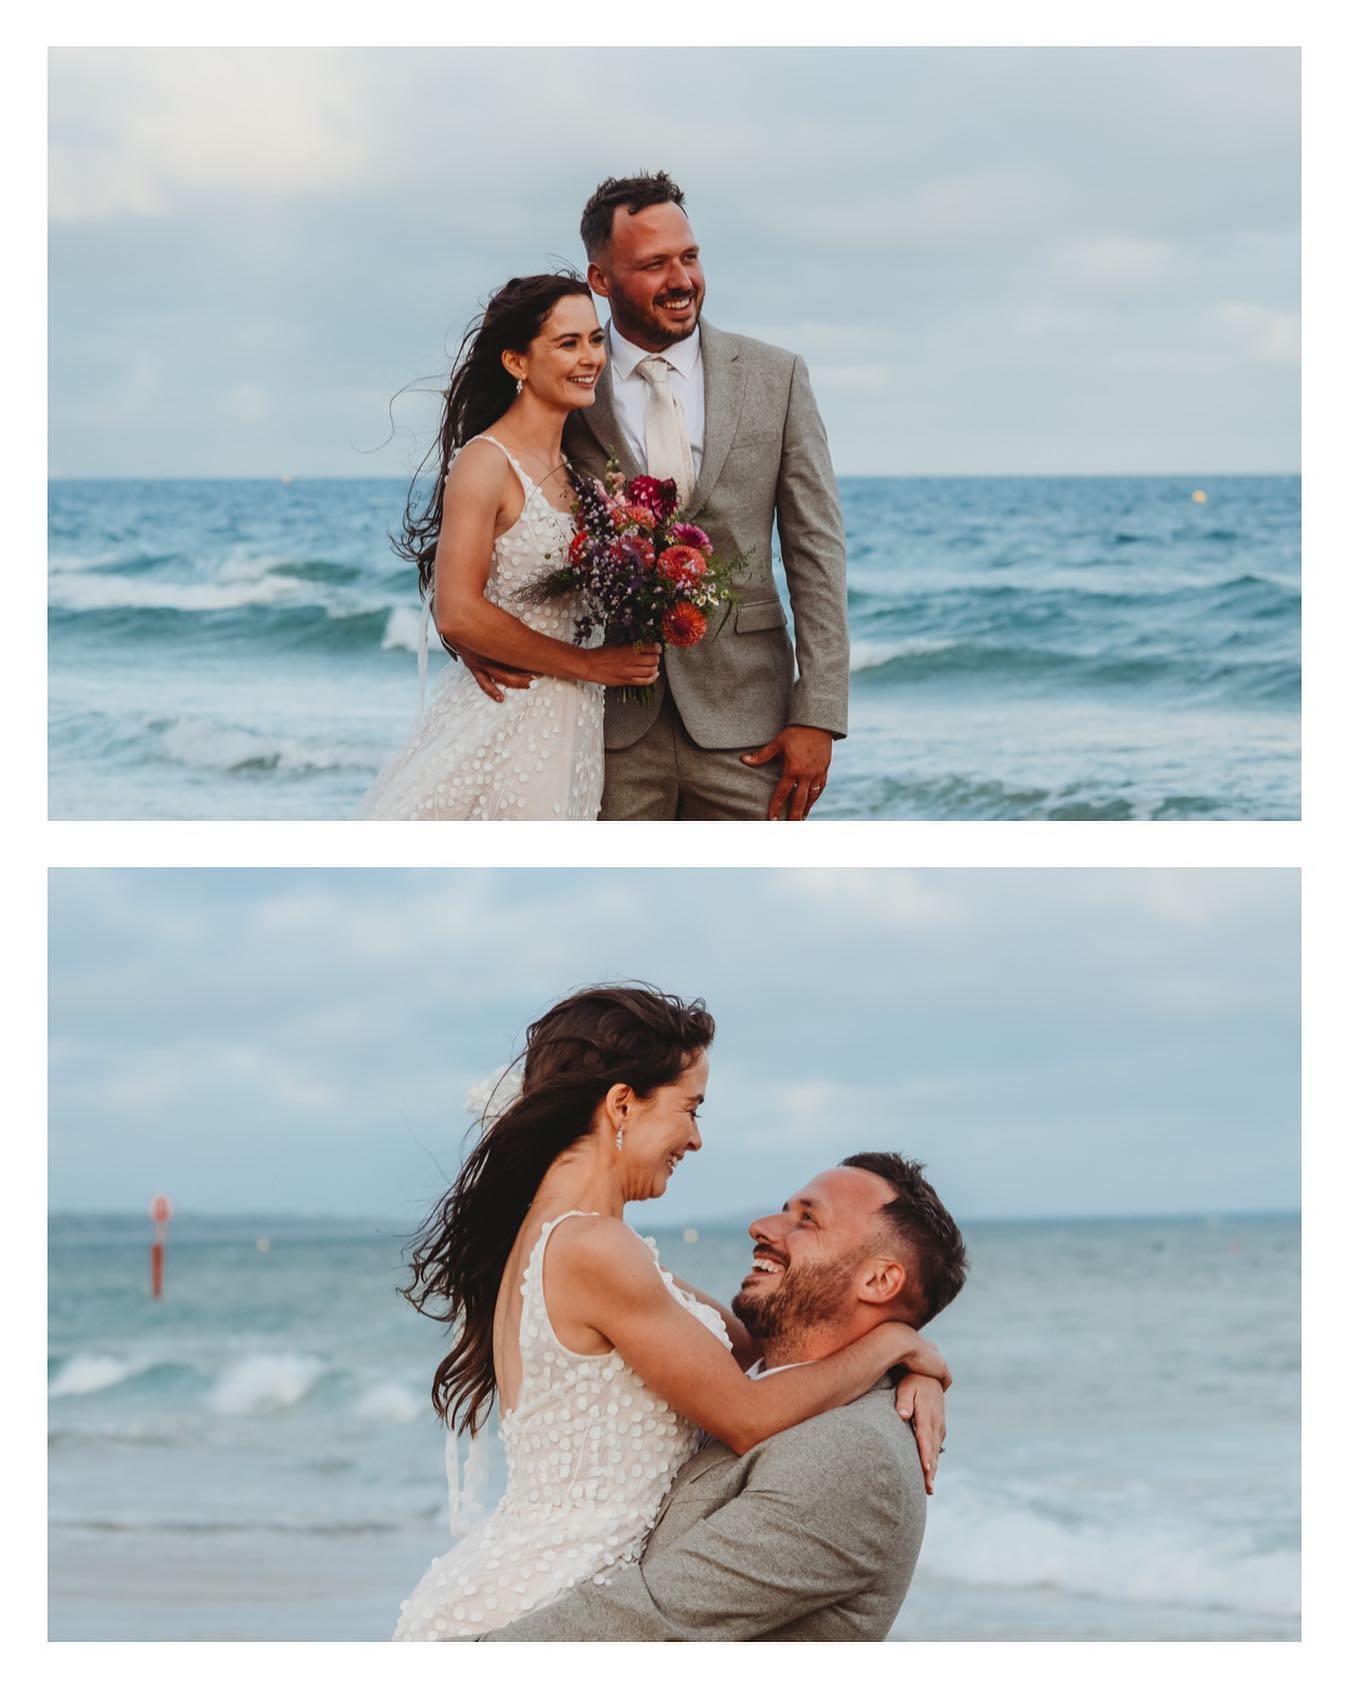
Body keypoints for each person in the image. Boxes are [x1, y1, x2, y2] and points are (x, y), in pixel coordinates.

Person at [391, 987, 952, 1640]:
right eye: (690, 1107)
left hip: (540, 1584)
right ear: (622, 1104)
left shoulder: (574, 1243)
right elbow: (747, 1415)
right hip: (537, 1600)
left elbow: (762, 1354)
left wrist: (917, 1368)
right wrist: (892, 1344)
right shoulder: (593, 1249)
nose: (695, 1137)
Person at [462, 172, 850, 822]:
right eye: (653, 264)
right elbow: (493, 504)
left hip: (747, 724)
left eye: (689, 256)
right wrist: (477, 633)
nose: (681, 280)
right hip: (600, 724)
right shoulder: (564, 382)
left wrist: (820, 712)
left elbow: (816, 550)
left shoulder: (775, 377)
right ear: (602, 280)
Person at [476, 1151, 969, 1642]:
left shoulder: (855, 1456)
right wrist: (899, 1349)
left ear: (880, 1280)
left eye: (808, 1219)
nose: (760, 1226)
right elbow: (616, 1277)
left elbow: (647, 1622)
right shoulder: (736, 1372)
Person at [356, 274, 660, 821]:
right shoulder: (485, 462)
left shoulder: (583, 476)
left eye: (595, 339)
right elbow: (458, 612)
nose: (589, 357)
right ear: (517, 362)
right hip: (506, 719)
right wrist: (590, 666)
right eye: (567, 344)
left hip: (575, 728)